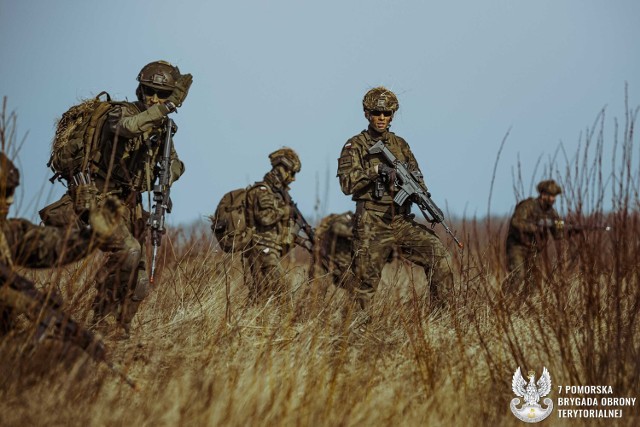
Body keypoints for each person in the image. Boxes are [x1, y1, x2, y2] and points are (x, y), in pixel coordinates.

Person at [39, 60, 192, 336]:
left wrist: (169, 174)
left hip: (127, 204)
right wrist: (164, 109)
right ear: (139, 89)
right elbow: (128, 127)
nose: (154, 98)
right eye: (149, 91)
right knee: (128, 250)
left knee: (141, 280)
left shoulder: (161, 128)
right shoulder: (121, 112)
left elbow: (178, 163)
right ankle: (99, 320)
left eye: (162, 94)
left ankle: (120, 330)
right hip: (98, 197)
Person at [336, 87, 454, 318]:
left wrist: (417, 193)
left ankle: (442, 319)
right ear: (367, 113)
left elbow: (418, 178)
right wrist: (376, 170)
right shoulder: (355, 145)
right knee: (364, 284)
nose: (382, 118)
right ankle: (353, 335)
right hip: (372, 221)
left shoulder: (401, 145)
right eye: (377, 112)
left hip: (400, 220)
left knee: (441, 258)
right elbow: (346, 185)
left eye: (387, 113)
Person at [0, 152, 119, 336]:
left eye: (11, 192)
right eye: (5, 192)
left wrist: (93, 237)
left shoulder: (8, 233)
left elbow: (50, 246)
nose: (11, 200)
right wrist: (17, 299)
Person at [243, 148, 306, 302]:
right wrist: (285, 210)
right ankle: (286, 324)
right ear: (282, 169)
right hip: (261, 248)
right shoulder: (263, 191)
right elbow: (264, 218)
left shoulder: (279, 194)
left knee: (260, 295)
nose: (293, 178)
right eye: (292, 173)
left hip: (270, 250)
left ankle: (245, 322)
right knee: (282, 293)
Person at [503, 179, 564, 297]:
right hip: (517, 246)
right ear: (543, 194)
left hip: (535, 249)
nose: (553, 199)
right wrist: (534, 227)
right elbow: (516, 222)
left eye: (554, 196)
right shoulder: (528, 206)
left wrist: (566, 228)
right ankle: (505, 300)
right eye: (551, 196)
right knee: (518, 275)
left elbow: (558, 233)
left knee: (534, 280)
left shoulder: (552, 213)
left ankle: (526, 306)